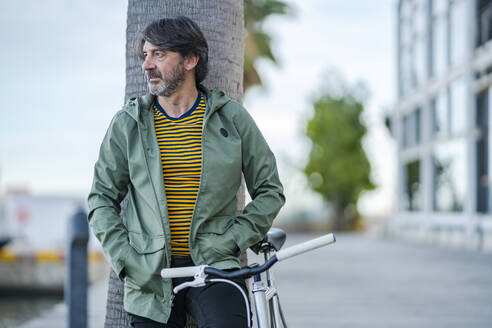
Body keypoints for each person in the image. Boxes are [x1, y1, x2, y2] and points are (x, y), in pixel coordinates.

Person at [88, 16, 285, 328]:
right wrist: (128, 261)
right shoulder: (128, 123)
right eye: (145, 55)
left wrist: (233, 241)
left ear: (191, 60)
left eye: (159, 54)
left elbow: (270, 190)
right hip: (151, 276)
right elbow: (101, 198)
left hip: (216, 267)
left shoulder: (232, 119)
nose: (147, 65)